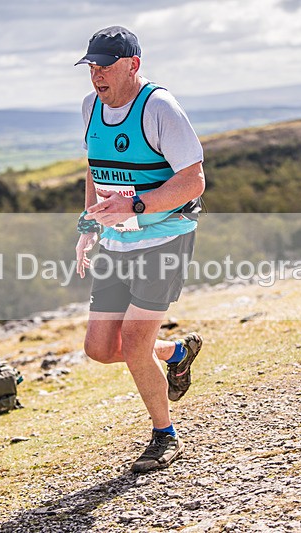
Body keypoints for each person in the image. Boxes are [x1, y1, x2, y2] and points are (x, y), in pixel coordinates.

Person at [73, 26, 205, 473]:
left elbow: (193, 181)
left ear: (133, 65)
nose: (96, 75)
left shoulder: (160, 108)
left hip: (164, 238)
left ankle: (164, 436)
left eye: (105, 66)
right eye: (91, 66)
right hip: (116, 239)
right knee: (99, 347)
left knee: (132, 344)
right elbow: (95, 168)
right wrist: (88, 223)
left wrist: (137, 204)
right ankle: (176, 353)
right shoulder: (91, 106)